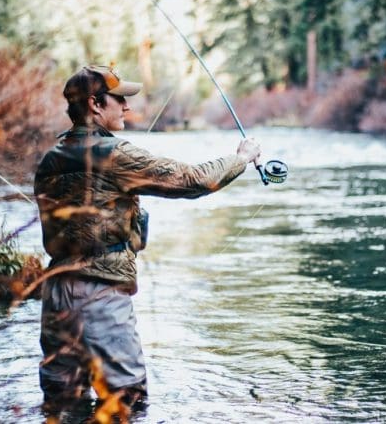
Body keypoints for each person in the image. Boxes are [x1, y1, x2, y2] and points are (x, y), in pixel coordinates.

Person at [34, 65, 261, 414]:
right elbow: (193, 181)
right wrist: (241, 159)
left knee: (61, 406)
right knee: (127, 403)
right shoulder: (116, 155)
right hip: (100, 294)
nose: (126, 107)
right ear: (95, 104)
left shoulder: (51, 158)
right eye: (119, 99)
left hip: (56, 295)